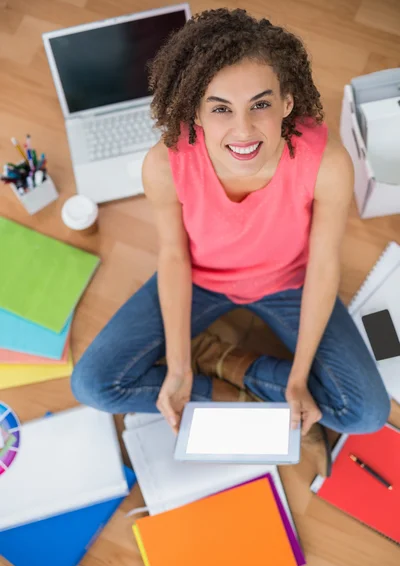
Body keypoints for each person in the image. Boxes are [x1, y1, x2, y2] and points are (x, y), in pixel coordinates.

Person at [71, 8, 390, 472]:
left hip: (290, 282)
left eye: (260, 104)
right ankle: (220, 371)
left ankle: (224, 364)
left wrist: (298, 379)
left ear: (286, 102)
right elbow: (174, 257)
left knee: (367, 415)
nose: (243, 131)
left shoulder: (326, 161)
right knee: (93, 385)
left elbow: (323, 265)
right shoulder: (165, 165)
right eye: (220, 108)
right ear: (195, 111)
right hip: (201, 279)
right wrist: (177, 368)